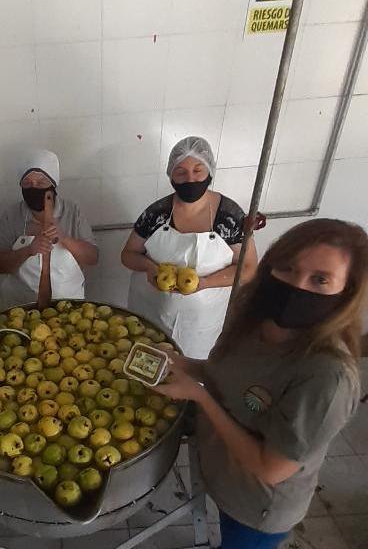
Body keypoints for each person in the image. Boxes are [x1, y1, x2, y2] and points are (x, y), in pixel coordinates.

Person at [153, 219, 367, 548]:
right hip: (223, 474)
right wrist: (185, 365)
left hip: (259, 508)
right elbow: (224, 375)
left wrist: (200, 397)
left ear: (346, 294)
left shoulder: (327, 377)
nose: (298, 286)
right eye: (288, 268)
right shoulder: (252, 320)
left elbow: (270, 468)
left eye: (320, 280)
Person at [121, 136, 258, 359]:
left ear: (210, 172)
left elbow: (249, 268)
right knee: (147, 364)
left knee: (192, 368)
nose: (190, 179)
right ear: (171, 175)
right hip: (152, 314)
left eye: (198, 170)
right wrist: (149, 268)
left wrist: (205, 283)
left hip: (201, 323)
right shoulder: (157, 213)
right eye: (181, 172)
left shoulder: (229, 216)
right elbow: (128, 255)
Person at [0, 149, 98, 306]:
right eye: (27, 183)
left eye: (41, 183)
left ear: (53, 186)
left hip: (69, 305)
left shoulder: (72, 212)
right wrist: (28, 250)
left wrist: (64, 238)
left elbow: (93, 257)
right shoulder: (12, 215)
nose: (34, 188)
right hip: (20, 306)